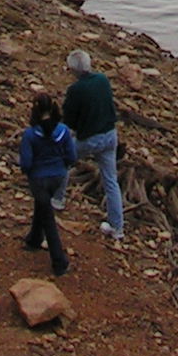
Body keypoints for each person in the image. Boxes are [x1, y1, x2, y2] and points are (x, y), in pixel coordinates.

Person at [62, 49, 123, 241]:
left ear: (73, 70)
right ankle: (117, 228)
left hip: (90, 139)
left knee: (63, 160)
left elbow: (69, 122)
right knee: (111, 181)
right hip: (110, 135)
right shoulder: (103, 80)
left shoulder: (75, 90)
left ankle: (57, 199)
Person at [16, 91, 76, 276]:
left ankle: (59, 262)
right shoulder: (63, 131)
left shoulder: (30, 134)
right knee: (42, 206)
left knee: (48, 218)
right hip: (58, 177)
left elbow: (26, 162)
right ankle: (34, 239)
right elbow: (72, 156)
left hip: (39, 179)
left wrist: (29, 172)